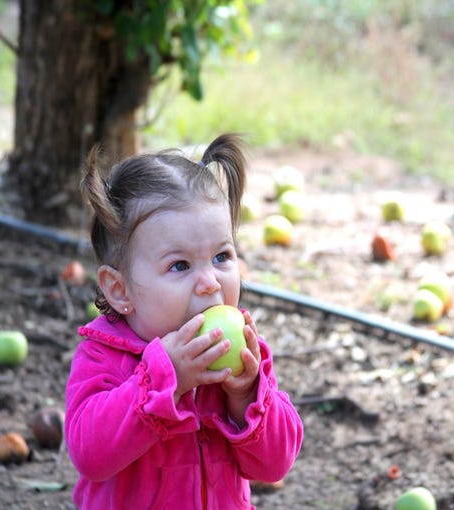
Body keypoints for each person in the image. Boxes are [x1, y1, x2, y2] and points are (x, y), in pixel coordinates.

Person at [65, 133, 304, 509]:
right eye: (180, 265)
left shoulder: (237, 360)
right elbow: (90, 455)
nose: (210, 283)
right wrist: (165, 379)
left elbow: (275, 464)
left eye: (222, 257)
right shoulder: (103, 359)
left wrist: (245, 396)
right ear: (120, 290)